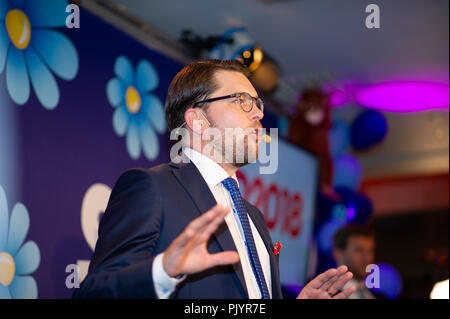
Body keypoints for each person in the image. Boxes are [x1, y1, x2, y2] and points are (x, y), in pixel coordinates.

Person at [73, 60, 356, 299]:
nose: (259, 113)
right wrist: (163, 271)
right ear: (198, 121)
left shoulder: (253, 217)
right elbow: (94, 291)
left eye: (257, 103)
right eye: (242, 101)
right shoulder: (152, 189)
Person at [332, 223, 383, 299]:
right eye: (359, 250)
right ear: (339, 254)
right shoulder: (325, 295)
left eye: (370, 251)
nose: (368, 258)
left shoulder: (379, 296)